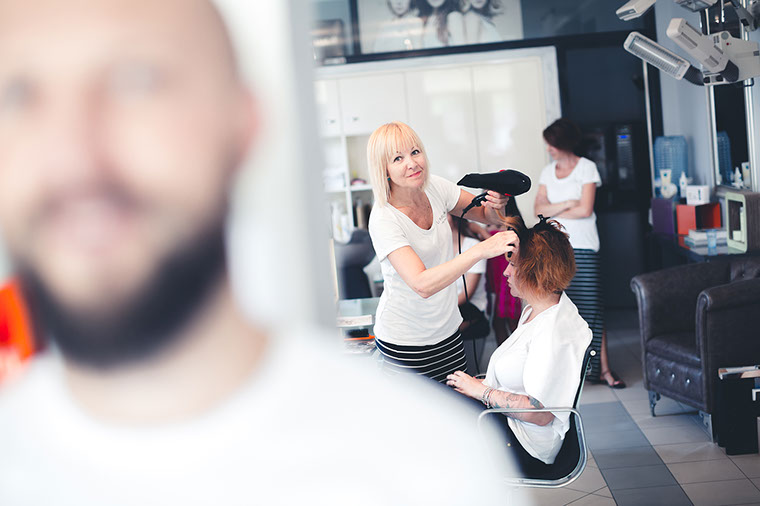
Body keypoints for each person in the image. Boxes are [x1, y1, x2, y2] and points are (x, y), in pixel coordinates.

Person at [0, 1, 515, 504]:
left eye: (137, 82)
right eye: (18, 94)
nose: (70, 156)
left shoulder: (434, 469)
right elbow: (420, 280)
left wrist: (496, 212)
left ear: (243, 123)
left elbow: (479, 209)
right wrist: (483, 249)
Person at [367, 121, 515, 382]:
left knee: (456, 404)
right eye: (398, 158)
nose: (412, 163)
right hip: (405, 341)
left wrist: (497, 204)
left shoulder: (435, 187)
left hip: (448, 332)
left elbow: (486, 216)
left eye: (415, 152)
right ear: (384, 170)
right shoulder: (384, 219)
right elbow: (422, 284)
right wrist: (480, 250)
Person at [446, 215, 592, 473]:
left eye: (513, 264)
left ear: (536, 271)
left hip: (526, 445)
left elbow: (540, 414)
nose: (505, 272)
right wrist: (478, 387)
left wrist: (482, 393)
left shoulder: (552, 329)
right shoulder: (536, 311)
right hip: (511, 426)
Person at [534, 118, 625, 388]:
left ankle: (603, 370)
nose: (548, 149)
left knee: (591, 308)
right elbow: (538, 211)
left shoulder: (587, 168)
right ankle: (573, 373)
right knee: (562, 310)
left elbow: (585, 210)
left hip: (584, 246)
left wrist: (554, 209)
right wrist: (567, 203)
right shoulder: (547, 172)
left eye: (551, 144)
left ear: (562, 143)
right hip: (556, 248)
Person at [486, 196, 523, 345]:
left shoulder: (513, 224)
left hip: (506, 274)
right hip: (492, 275)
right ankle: (504, 352)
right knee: (497, 322)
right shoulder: (487, 222)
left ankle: (519, 350)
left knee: (512, 320)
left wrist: (481, 232)